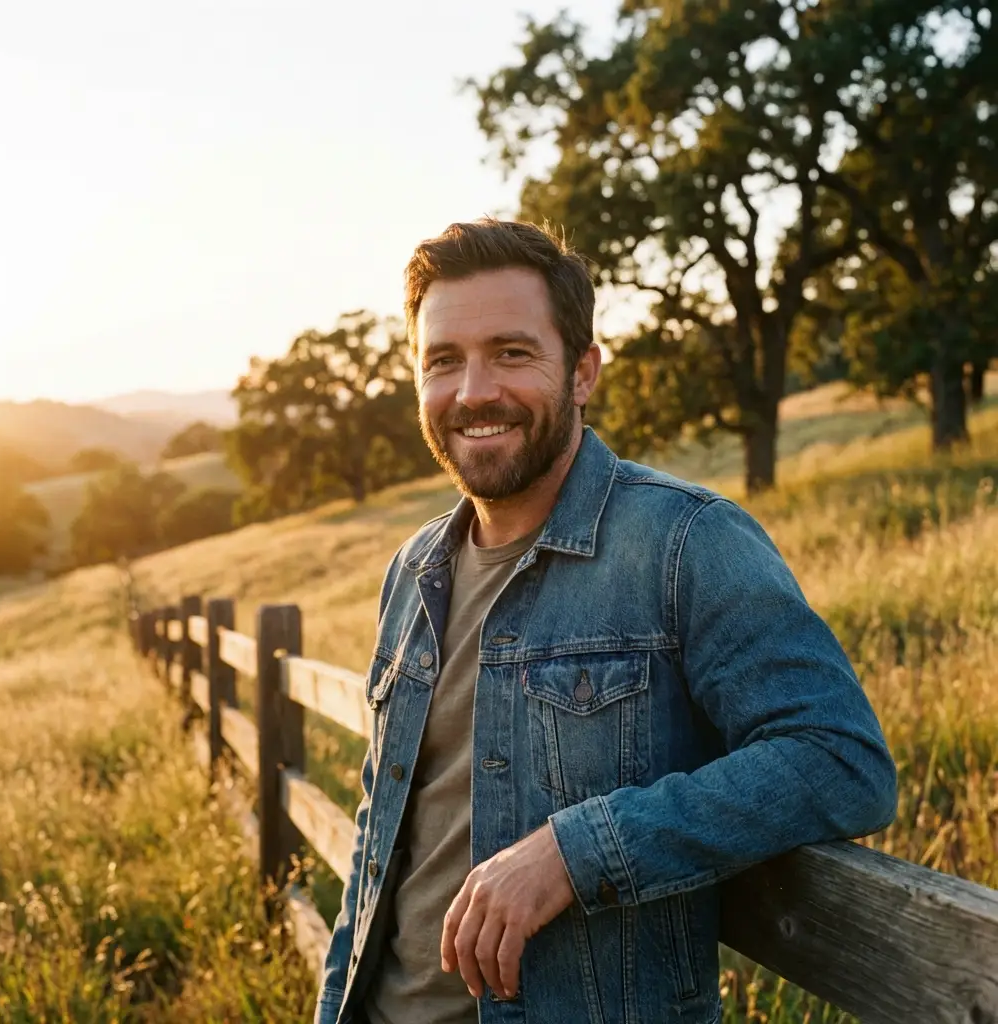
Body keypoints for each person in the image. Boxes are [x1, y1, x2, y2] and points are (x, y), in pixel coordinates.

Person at [314, 218, 897, 1024]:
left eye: (512, 353)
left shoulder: (686, 542)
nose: (474, 390)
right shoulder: (413, 571)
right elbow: (377, 847)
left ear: (583, 372)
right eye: (443, 360)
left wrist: (575, 851)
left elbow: (841, 761)